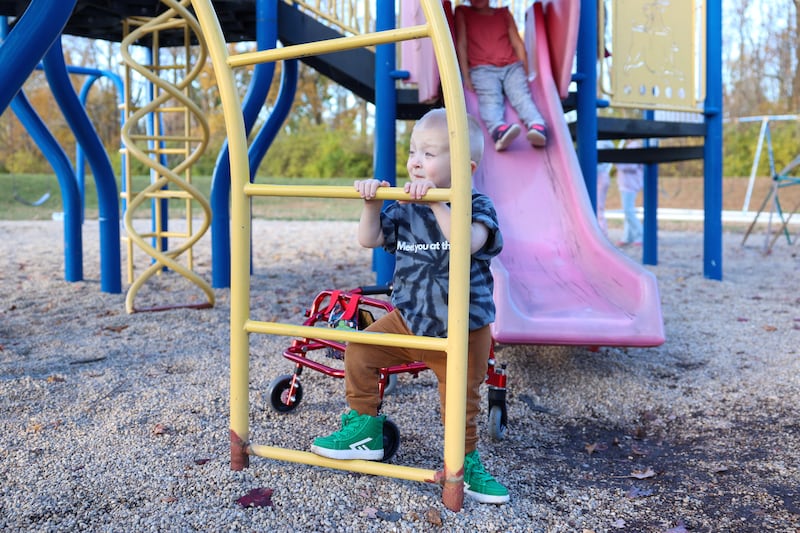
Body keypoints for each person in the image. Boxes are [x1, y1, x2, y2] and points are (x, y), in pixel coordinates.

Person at [310, 108, 509, 505]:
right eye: (413, 151)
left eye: (429, 154)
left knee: (461, 403)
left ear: (465, 169)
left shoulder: (478, 205)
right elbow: (369, 239)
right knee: (360, 348)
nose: (415, 161)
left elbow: (465, 243)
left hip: (462, 330)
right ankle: (365, 430)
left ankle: (464, 464)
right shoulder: (404, 206)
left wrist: (437, 204)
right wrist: (371, 203)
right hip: (408, 321)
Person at [455, 0, 547, 151]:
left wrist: (526, 70)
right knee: (490, 99)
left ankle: (537, 125)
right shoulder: (463, 12)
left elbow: (517, 43)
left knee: (521, 96)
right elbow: (462, 44)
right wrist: (465, 76)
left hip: (512, 67)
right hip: (482, 69)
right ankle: (498, 130)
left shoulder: (503, 13)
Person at [616, 139, 644, 246]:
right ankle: (627, 237)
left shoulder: (634, 146)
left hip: (630, 183)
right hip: (626, 183)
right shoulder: (629, 146)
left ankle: (640, 234)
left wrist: (618, 162)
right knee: (628, 211)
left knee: (628, 211)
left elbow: (632, 165)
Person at [596, 139, 615, 236]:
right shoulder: (606, 143)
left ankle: (602, 234)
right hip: (602, 175)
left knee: (598, 208)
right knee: (598, 208)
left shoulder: (603, 143)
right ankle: (601, 233)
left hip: (599, 176)